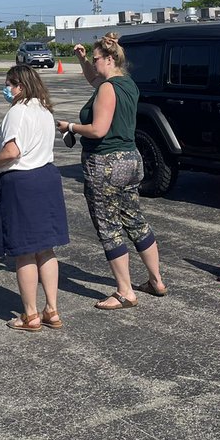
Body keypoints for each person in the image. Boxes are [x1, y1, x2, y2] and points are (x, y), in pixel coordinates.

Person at [56, 32, 166, 309]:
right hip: (131, 160)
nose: (93, 65)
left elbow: (98, 129)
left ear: (108, 58)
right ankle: (156, 280)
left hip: (105, 164)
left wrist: (70, 127)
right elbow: (94, 78)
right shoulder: (126, 83)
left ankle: (125, 291)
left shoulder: (107, 89)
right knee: (135, 221)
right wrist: (81, 60)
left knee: (109, 227)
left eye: (95, 59)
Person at [0, 65, 68, 331]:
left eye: (9, 85)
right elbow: (20, 137)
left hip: (21, 183)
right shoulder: (44, 109)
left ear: (20, 86)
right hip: (46, 178)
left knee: (24, 252)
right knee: (46, 249)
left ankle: (30, 315)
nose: (6, 90)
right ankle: (52, 310)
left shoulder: (17, 110)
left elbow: (13, 151)